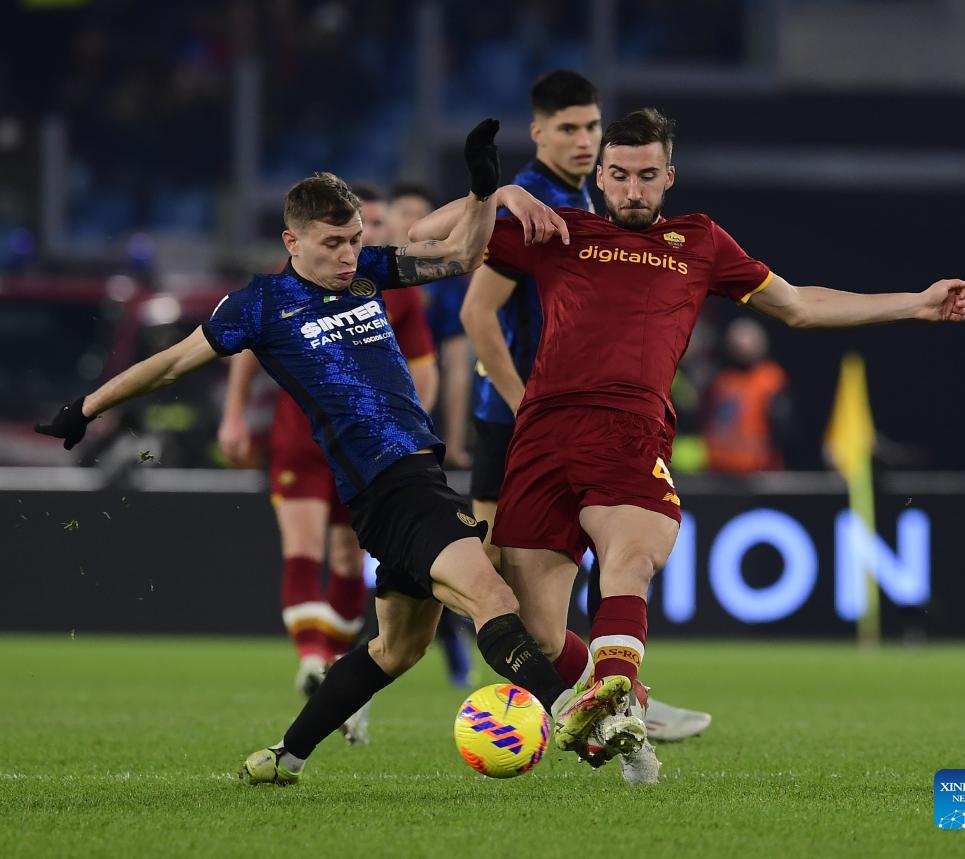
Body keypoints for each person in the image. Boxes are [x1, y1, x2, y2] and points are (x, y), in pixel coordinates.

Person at [36, 120, 628, 786]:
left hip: (410, 478)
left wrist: (483, 189)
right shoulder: (261, 305)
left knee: (397, 648)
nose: (348, 255)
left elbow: (463, 256)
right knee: (493, 595)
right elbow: (172, 362)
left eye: (354, 240)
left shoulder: (366, 273)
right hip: (390, 486)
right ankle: (574, 714)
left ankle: (283, 755)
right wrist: (86, 407)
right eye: (332, 243)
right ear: (292, 241)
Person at [423, 107, 965, 783]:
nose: (633, 189)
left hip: (629, 429)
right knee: (535, 633)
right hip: (542, 436)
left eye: (647, 175)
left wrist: (914, 303)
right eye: (620, 175)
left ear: (669, 177)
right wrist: (501, 192)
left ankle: (619, 696)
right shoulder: (559, 230)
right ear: (601, 177)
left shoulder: (700, 241)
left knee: (629, 560)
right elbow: (429, 239)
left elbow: (799, 306)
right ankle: (629, 711)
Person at [458, 69, 711, 746]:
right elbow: (476, 311)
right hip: (518, 418)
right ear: (539, 133)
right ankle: (615, 698)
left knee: (599, 565)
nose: (582, 139)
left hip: (579, 421)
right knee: (489, 589)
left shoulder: (588, 207)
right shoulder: (539, 202)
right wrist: (521, 402)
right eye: (569, 128)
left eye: (591, 126)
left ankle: (620, 696)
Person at [217, 183, 450, 745]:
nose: (355, 245)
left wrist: (403, 435)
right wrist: (234, 415)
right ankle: (312, 657)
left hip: (366, 450)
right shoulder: (287, 283)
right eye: (347, 233)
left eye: (368, 230)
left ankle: (332, 665)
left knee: (348, 557)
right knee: (301, 547)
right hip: (300, 440)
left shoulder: (392, 287)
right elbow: (241, 349)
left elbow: (424, 370)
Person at [389, 182, 474, 470]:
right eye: (405, 212)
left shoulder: (445, 282)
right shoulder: (356, 273)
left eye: (423, 215)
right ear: (387, 217)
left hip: (422, 414)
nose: (413, 222)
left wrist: (454, 443)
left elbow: (456, 364)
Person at [702, 317, 795, 473]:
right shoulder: (721, 380)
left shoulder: (771, 379)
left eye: (748, 341)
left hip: (759, 469)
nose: (742, 346)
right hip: (718, 468)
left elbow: (785, 428)